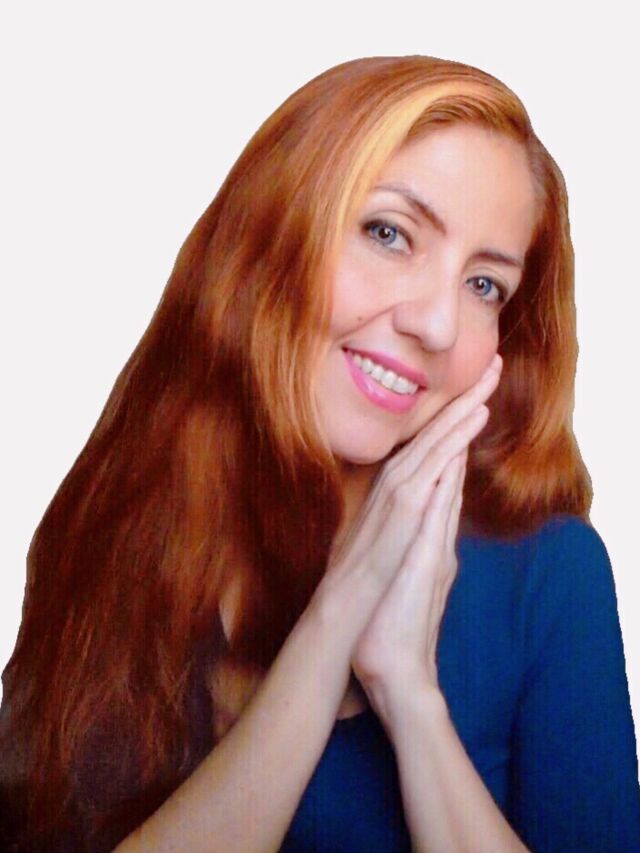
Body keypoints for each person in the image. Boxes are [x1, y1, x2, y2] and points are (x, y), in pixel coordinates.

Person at [1, 54, 639, 852]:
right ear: (272, 234)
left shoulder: (547, 573)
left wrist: (409, 695)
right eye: (389, 233)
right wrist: (336, 619)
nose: (437, 324)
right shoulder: (116, 527)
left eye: (485, 285)